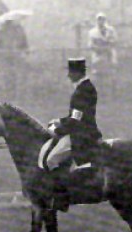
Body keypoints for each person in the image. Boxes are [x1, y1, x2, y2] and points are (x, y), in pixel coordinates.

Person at [39, 57, 102, 211]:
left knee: (51, 160)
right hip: (81, 129)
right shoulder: (85, 88)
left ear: (76, 73)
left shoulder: (82, 92)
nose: (68, 76)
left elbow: (76, 121)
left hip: (81, 135)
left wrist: (57, 129)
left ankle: (61, 197)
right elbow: (75, 116)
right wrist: (59, 121)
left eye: (70, 72)